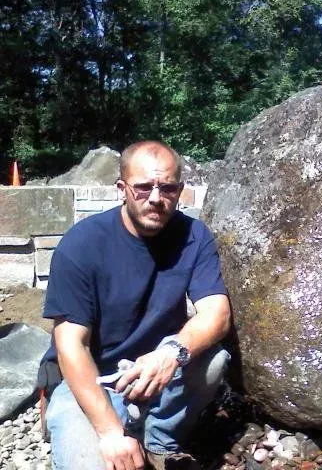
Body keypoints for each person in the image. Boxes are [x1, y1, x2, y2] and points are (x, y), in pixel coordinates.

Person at [38, 141, 231, 470]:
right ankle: (104, 424)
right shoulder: (81, 244)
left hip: (153, 368)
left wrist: (173, 351)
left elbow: (218, 313)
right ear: (121, 189)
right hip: (90, 379)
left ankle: (158, 439)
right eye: (143, 188)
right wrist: (110, 433)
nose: (156, 199)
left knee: (214, 359)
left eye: (167, 188)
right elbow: (70, 345)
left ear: (179, 190)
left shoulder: (194, 236)